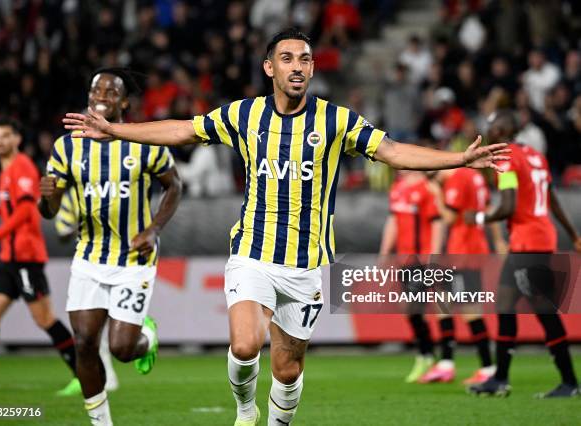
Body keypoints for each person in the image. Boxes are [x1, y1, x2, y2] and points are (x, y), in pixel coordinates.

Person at [62, 29, 509, 426]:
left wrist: (457, 159)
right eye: (288, 59)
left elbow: (392, 152)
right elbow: (184, 130)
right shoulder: (245, 115)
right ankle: (243, 411)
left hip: (309, 265)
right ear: (269, 67)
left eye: (305, 59)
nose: (297, 67)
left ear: (313, 68)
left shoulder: (336, 120)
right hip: (252, 253)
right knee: (244, 344)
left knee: (288, 369)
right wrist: (118, 131)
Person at [40, 68, 182, 425]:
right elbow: (49, 210)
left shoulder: (142, 141)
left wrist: (153, 229)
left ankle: (145, 337)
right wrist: (47, 199)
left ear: (124, 102)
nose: (101, 94)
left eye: (110, 90)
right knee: (84, 344)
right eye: (96, 89)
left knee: (120, 350)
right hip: (88, 257)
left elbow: (174, 185)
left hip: (134, 257)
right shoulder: (66, 146)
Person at [467, 110, 581, 398]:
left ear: (504, 128)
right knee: (505, 303)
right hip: (535, 239)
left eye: (492, 124)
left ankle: (569, 382)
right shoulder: (534, 155)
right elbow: (552, 197)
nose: (489, 128)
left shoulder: (505, 157)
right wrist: (573, 233)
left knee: (544, 312)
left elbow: (508, 205)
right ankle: (500, 379)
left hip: (529, 243)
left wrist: (479, 219)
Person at [0, 116, 78, 397]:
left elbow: (28, 212)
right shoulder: (5, 173)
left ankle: (84, 373)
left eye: (6, 135)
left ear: (17, 139)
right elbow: (12, 211)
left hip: (26, 257)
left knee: (44, 319)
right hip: (8, 259)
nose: (0, 141)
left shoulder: (23, 168)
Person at [419, 167, 502, 384]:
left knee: (470, 311)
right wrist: (499, 239)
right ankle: (446, 363)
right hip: (467, 248)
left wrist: (436, 193)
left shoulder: (456, 179)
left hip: (465, 251)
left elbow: (448, 217)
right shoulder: (474, 175)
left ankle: (488, 367)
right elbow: (488, 208)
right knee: (442, 303)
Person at [54, 186, 119, 394]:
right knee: (90, 328)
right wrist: (83, 226)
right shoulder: (74, 194)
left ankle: (143, 334)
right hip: (90, 264)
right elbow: (62, 232)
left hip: (122, 262)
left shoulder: (117, 185)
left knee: (120, 332)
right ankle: (107, 377)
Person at [379, 170, 442, 383]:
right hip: (404, 259)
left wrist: (433, 256)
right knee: (411, 310)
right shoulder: (397, 188)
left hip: (421, 259)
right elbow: (394, 221)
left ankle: (426, 356)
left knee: (415, 308)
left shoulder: (427, 189)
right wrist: (385, 252)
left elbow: (436, 222)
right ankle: (428, 354)